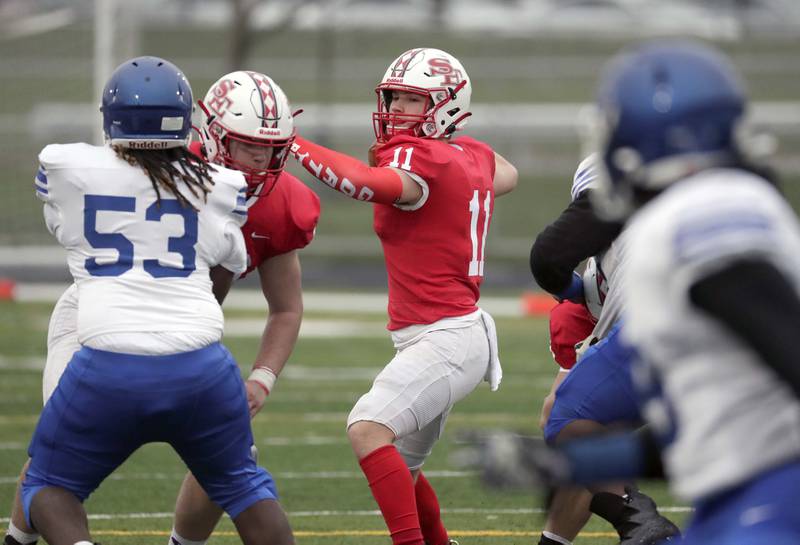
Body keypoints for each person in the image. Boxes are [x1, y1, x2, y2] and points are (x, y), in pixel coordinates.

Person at [480, 39, 800, 545]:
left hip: (775, 495)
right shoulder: (726, 201)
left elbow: (776, 337)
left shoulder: (703, 211)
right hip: (747, 483)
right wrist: (573, 462)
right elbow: (710, 432)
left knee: (572, 412)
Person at [3, 70, 319, 545]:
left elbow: (285, 307)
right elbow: (219, 274)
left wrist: (263, 375)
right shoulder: (221, 189)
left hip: (121, 337)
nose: (260, 161)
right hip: (148, 328)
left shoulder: (72, 165)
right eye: (245, 145)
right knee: (237, 477)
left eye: (272, 149)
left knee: (53, 473)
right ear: (204, 134)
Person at [289, 47, 518, 545]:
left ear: (446, 107)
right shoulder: (469, 155)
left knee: (367, 429)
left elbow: (364, 183)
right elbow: (508, 174)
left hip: (447, 337)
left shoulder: (426, 161)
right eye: (391, 97)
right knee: (403, 472)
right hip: (445, 334)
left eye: (410, 101)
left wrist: (294, 144)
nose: (393, 109)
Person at [529, 157, 679, 545]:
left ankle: (641, 523)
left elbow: (548, 257)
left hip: (666, 324)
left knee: (565, 422)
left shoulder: (613, 208)